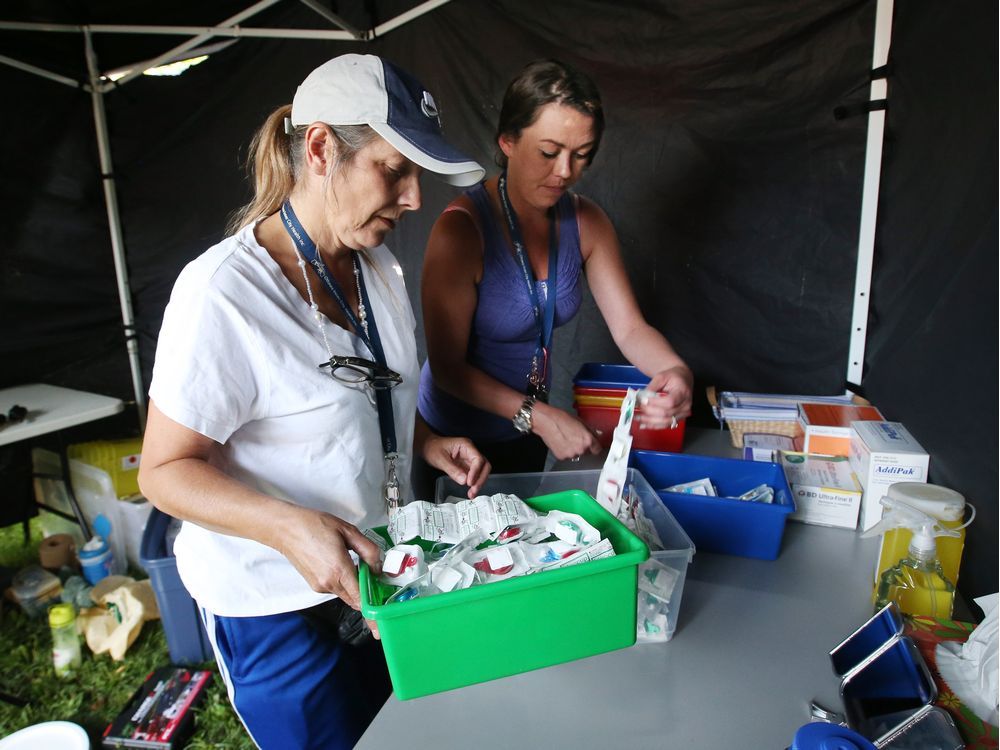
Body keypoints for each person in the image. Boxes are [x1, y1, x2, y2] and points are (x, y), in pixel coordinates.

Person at [138, 54, 490, 750]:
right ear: (324, 149)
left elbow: (365, 390)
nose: (415, 197)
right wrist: (288, 527)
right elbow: (164, 471)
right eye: (395, 170)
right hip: (277, 614)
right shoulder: (223, 294)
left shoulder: (377, 267)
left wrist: (423, 440)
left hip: (375, 579)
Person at [417, 58, 693, 477]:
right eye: (549, 152)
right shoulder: (461, 231)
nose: (565, 172)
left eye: (582, 155)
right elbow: (447, 369)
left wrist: (674, 370)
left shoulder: (587, 223)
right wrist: (538, 415)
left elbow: (630, 329)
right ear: (507, 140)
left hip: (528, 431)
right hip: (454, 443)